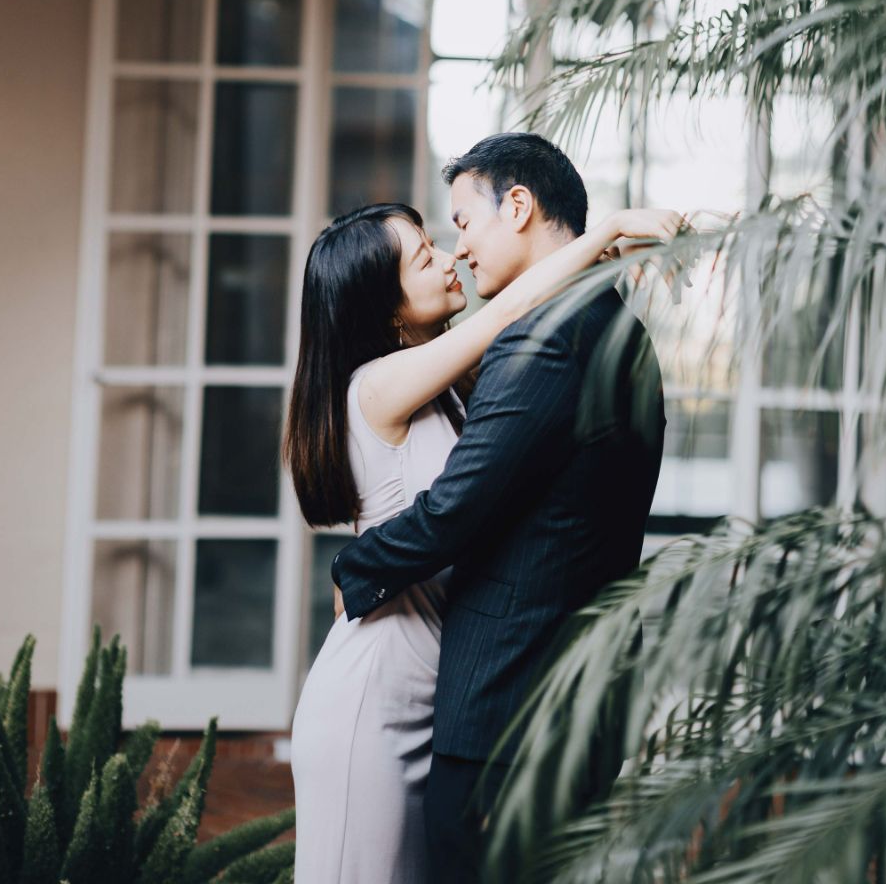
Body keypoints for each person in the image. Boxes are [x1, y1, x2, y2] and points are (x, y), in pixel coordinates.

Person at [285, 169, 679, 884]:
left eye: (443, 240)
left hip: (433, 692)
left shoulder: (448, 386)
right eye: (421, 257)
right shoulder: (377, 385)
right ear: (385, 307)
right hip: (371, 700)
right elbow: (510, 314)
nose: (449, 257)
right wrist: (605, 234)